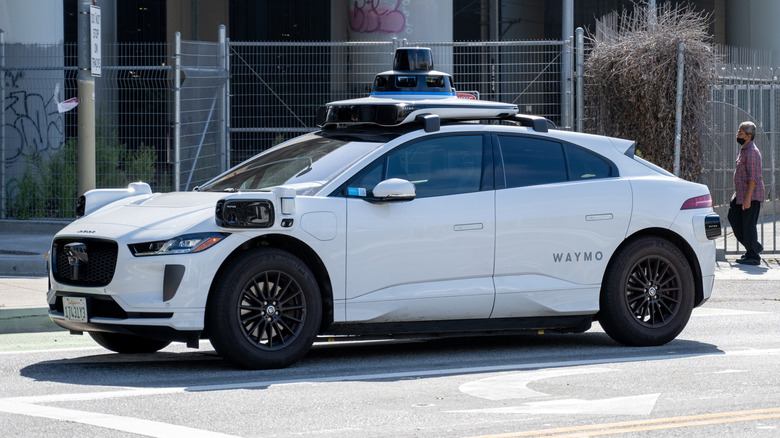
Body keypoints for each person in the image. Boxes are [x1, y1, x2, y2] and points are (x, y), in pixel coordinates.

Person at [727, 121, 765, 265]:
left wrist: (748, 199)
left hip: (751, 196)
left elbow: (753, 178)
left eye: (741, 133)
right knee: (734, 218)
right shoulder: (744, 150)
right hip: (740, 195)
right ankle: (753, 247)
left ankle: (753, 256)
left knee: (748, 225)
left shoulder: (752, 152)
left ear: (748, 136)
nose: (738, 135)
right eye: (738, 132)